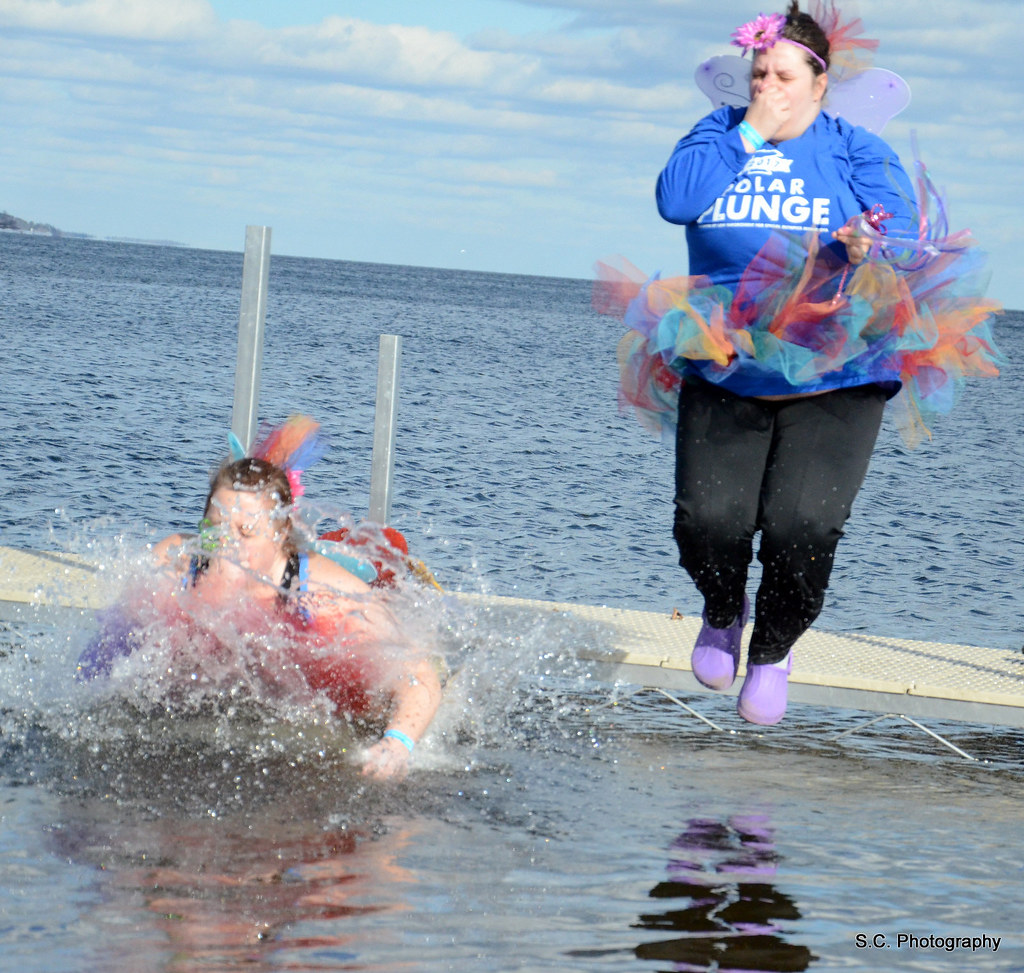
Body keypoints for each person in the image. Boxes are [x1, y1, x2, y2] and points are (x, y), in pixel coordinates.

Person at [596, 3, 1001, 725]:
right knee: (706, 520)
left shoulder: (853, 147)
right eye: (757, 75)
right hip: (729, 356)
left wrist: (863, 243)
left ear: (819, 84)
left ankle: (775, 645)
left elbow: (905, 243)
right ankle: (723, 608)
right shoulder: (718, 135)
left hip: (836, 366)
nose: (766, 87)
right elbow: (674, 200)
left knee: (803, 526)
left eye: (783, 76)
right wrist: (750, 131)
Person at [78, 418, 443, 779]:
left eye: (246, 531)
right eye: (216, 526)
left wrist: (396, 744)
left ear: (280, 533)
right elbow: (108, 647)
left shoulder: (322, 594)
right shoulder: (176, 566)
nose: (227, 544)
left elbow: (419, 675)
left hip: (343, 699)